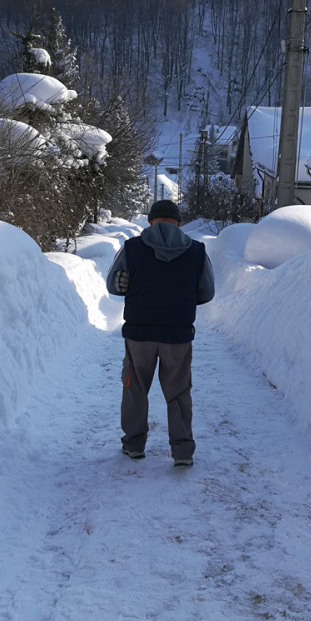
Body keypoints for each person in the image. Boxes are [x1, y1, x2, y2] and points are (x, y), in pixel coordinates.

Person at [106, 199, 215, 467]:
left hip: (139, 333)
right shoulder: (197, 251)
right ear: (178, 222)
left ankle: (134, 445)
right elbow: (207, 292)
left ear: (151, 221)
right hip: (178, 334)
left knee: (135, 388)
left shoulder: (132, 248)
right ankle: (182, 451)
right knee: (178, 391)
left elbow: (114, 285)